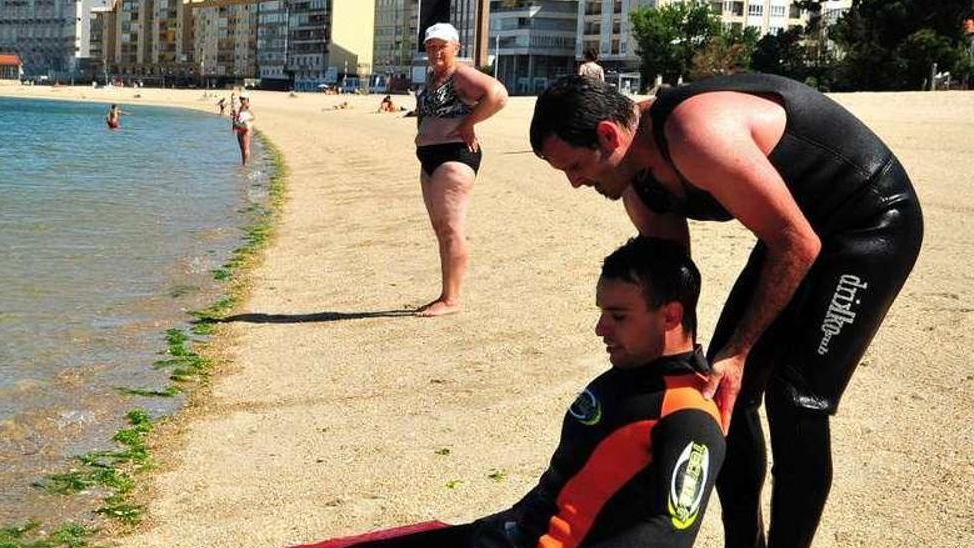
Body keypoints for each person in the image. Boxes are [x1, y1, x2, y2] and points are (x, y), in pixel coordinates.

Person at [528, 74, 924, 548]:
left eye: (574, 166)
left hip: (869, 222)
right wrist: (670, 370)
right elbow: (670, 288)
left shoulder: (697, 135)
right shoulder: (639, 183)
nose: (575, 183)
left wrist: (738, 352)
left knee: (796, 399)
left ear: (610, 135)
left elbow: (796, 244)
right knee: (720, 390)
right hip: (796, 231)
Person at [347, 236, 725, 548]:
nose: (600, 328)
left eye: (618, 316)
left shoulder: (689, 415)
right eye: (602, 313)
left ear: (671, 316)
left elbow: (670, 532)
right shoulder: (622, 378)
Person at [412, 22, 508, 317]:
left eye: (442, 46)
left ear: (456, 48)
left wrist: (468, 124)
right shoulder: (433, 77)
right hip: (430, 157)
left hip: (453, 156)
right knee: (441, 229)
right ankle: (445, 293)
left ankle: (451, 299)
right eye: (430, 46)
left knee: (451, 227)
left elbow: (498, 94)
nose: (436, 51)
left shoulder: (460, 74)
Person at [231, 94, 255, 165]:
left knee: (246, 147)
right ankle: (243, 163)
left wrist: (246, 119)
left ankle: (246, 164)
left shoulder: (248, 107)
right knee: (242, 148)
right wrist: (234, 126)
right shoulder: (241, 107)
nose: (242, 100)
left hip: (246, 128)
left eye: (243, 99)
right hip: (240, 128)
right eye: (241, 99)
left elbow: (253, 117)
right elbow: (237, 117)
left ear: (247, 99)